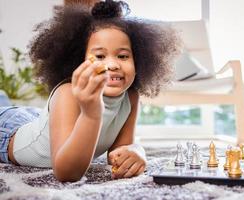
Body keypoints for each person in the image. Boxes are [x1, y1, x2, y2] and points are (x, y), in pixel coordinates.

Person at [0, 0, 180, 182]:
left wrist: (136, 151)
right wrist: (91, 113)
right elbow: (66, 173)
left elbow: (119, 152)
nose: (112, 64)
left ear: (139, 60)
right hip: (7, 132)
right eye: (100, 56)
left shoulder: (130, 96)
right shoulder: (68, 93)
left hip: (35, 120)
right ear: (78, 61)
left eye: (123, 56)